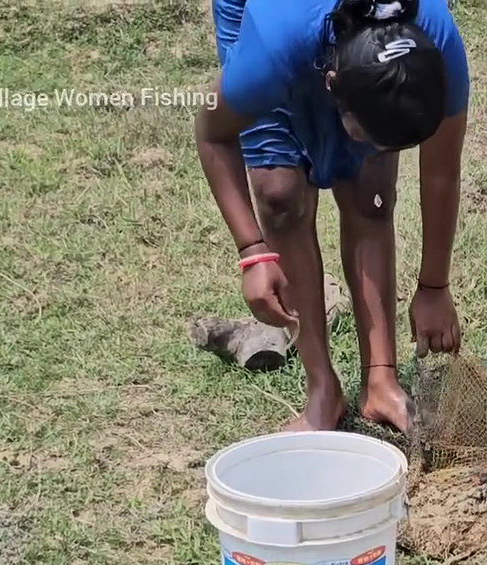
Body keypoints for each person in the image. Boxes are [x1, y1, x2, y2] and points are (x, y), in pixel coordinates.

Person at [196, 0, 471, 432]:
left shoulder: (437, 44)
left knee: (370, 190)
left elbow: (441, 171)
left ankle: (380, 380)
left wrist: (434, 287)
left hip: (329, 41)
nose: (384, 152)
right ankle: (322, 389)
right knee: (280, 196)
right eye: (374, 138)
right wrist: (252, 252)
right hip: (269, 16)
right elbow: (212, 132)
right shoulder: (271, 51)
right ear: (331, 84)